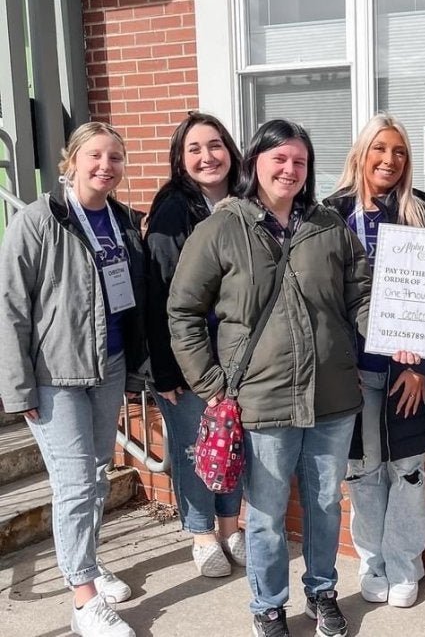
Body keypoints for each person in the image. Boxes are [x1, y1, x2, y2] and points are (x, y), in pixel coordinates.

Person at [167, 119, 372, 637]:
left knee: (326, 505)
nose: (290, 169)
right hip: (260, 399)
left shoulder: (330, 226)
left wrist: (396, 336)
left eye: (299, 161)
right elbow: (184, 311)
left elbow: (361, 296)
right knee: (266, 513)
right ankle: (268, 604)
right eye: (279, 158)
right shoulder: (221, 227)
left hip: (331, 396)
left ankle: (322, 592)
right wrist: (210, 384)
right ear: (254, 161)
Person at [0, 122, 147, 637]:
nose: (106, 166)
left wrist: (133, 368)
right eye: (95, 156)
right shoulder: (40, 221)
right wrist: (17, 388)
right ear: (72, 161)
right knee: (75, 483)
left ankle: (84, 561)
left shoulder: (123, 220)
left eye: (115, 157)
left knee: (98, 476)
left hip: (107, 369)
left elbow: (130, 302)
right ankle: (84, 601)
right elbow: (12, 307)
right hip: (54, 377)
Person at [323, 114, 425, 609]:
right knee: (364, 471)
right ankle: (372, 562)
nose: (389, 161)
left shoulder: (420, 214)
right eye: (380, 149)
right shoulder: (329, 215)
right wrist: (336, 364)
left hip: (406, 370)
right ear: (361, 153)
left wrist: (419, 368)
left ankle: (405, 565)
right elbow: (321, 300)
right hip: (352, 369)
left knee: (408, 469)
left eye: (399, 152)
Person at [144, 112, 246, 578]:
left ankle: (231, 527)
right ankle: (202, 533)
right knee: (193, 445)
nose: (208, 157)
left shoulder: (247, 202)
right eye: (195, 149)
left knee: (231, 443)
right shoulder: (173, 211)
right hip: (188, 360)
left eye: (215, 145)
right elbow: (158, 294)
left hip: (239, 357)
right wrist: (165, 371)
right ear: (181, 160)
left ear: (230, 149)